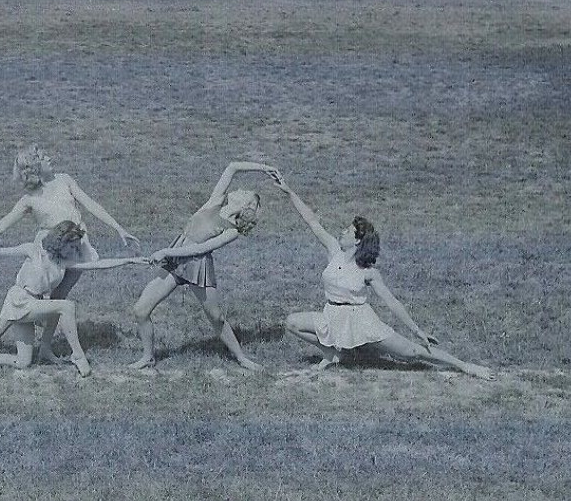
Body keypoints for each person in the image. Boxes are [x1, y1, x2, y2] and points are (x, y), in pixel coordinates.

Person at [271, 170, 494, 378]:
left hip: (361, 321)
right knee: (292, 323)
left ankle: (466, 367)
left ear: (357, 240)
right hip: (332, 315)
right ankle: (332, 354)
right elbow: (311, 220)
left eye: (347, 230)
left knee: (412, 352)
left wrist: (417, 330)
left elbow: (392, 303)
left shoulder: (368, 273)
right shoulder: (333, 250)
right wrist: (289, 191)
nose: (342, 231)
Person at [0, 146, 140, 360]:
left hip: (75, 245)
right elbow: (2, 224)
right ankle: (5, 337)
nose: (51, 157)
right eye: (44, 157)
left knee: (60, 296)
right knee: (43, 293)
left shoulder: (65, 180)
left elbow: (91, 204)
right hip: (51, 250)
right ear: (35, 167)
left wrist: (119, 228)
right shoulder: (29, 199)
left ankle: (45, 347)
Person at [0, 221, 151, 377]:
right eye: (72, 246)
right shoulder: (33, 250)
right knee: (66, 306)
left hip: (32, 305)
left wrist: (129, 260)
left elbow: (97, 266)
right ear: (61, 242)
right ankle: (78, 355)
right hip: (19, 301)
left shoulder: (65, 263)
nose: (75, 251)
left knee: (23, 362)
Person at [127, 161, 275, 371]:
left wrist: (166, 252)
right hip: (175, 259)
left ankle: (241, 358)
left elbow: (199, 250)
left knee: (216, 317)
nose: (239, 189)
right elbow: (232, 167)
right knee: (141, 310)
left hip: (198, 266)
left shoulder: (232, 231)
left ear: (246, 206)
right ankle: (148, 356)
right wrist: (263, 168)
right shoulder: (215, 200)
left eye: (245, 193)